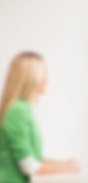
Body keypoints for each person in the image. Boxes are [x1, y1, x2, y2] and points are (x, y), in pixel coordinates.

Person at [0, 52, 79, 183]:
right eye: (44, 73)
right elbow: (29, 166)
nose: (46, 79)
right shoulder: (18, 111)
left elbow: (31, 158)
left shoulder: (22, 108)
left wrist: (64, 163)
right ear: (30, 77)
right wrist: (68, 167)